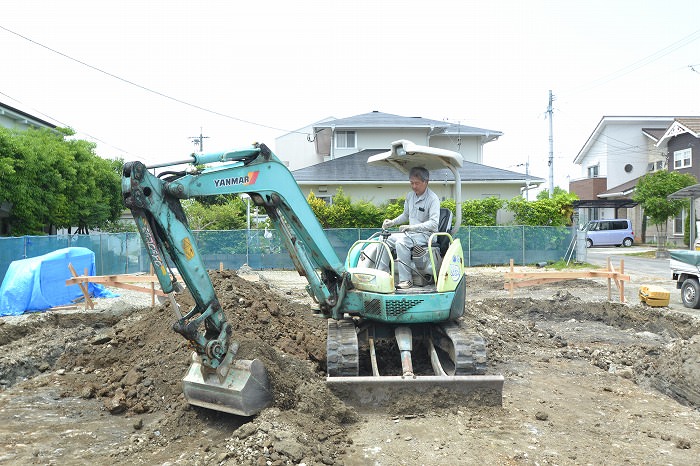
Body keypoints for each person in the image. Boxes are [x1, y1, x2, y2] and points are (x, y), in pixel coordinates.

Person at [379, 166, 440, 289]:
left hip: (427, 235)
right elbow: (405, 215)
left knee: (402, 242)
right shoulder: (410, 196)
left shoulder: (433, 199)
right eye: (411, 183)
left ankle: (406, 280)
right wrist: (391, 222)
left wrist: (412, 228)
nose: (414, 186)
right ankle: (382, 275)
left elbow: (434, 223)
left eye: (417, 183)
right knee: (383, 238)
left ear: (426, 182)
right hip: (411, 234)